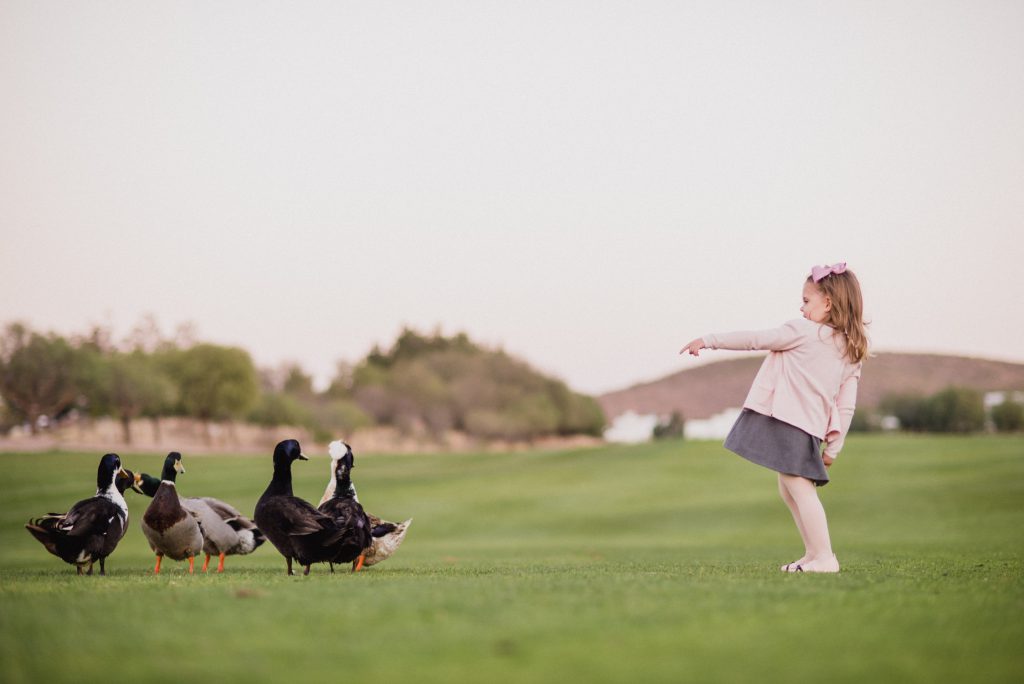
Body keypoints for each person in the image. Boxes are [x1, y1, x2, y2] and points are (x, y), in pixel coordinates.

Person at [681, 262, 867, 573]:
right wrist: (833, 449)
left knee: (798, 487)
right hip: (810, 428)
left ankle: (825, 557)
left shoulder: (802, 331)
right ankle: (812, 554)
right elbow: (846, 407)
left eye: (807, 301)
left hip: (792, 422)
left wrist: (709, 339)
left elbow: (756, 338)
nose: (802, 307)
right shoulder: (851, 348)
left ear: (828, 303)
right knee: (788, 486)